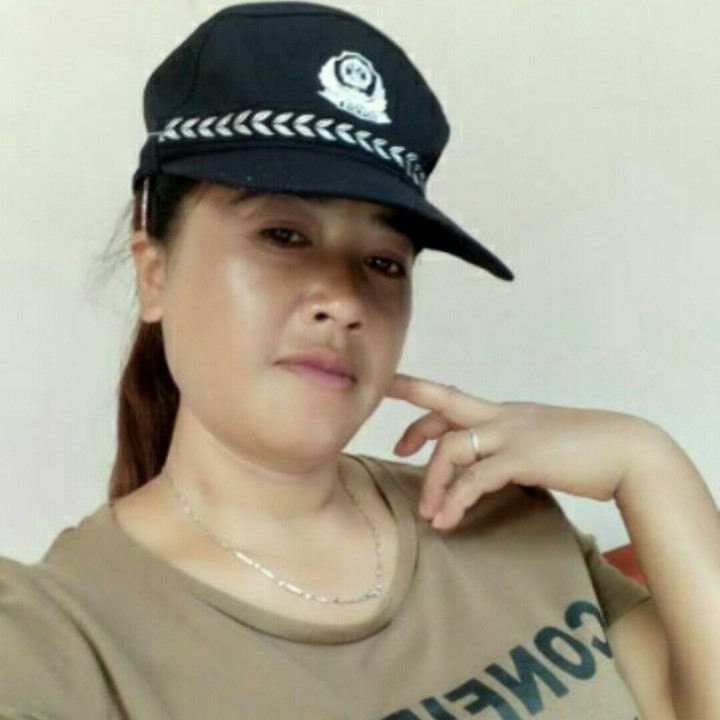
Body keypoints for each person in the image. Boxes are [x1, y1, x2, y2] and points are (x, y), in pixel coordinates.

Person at [1, 3, 718, 718]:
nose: (344, 301)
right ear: (154, 273)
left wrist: (645, 460)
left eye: (383, 262)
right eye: (283, 235)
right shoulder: (58, 638)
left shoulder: (504, 517)